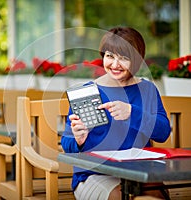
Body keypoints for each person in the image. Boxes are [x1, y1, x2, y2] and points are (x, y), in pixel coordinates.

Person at [61, 27, 171, 200]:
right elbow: (67, 143)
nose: (114, 64)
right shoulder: (87, 92)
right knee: (122, 197)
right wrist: (78, 140)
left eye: (123, 58)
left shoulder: (147, 89)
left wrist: (132, 112)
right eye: (109, 56)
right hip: (95, 175)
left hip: (139, 172)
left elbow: (163, 132)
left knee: (155, 195)